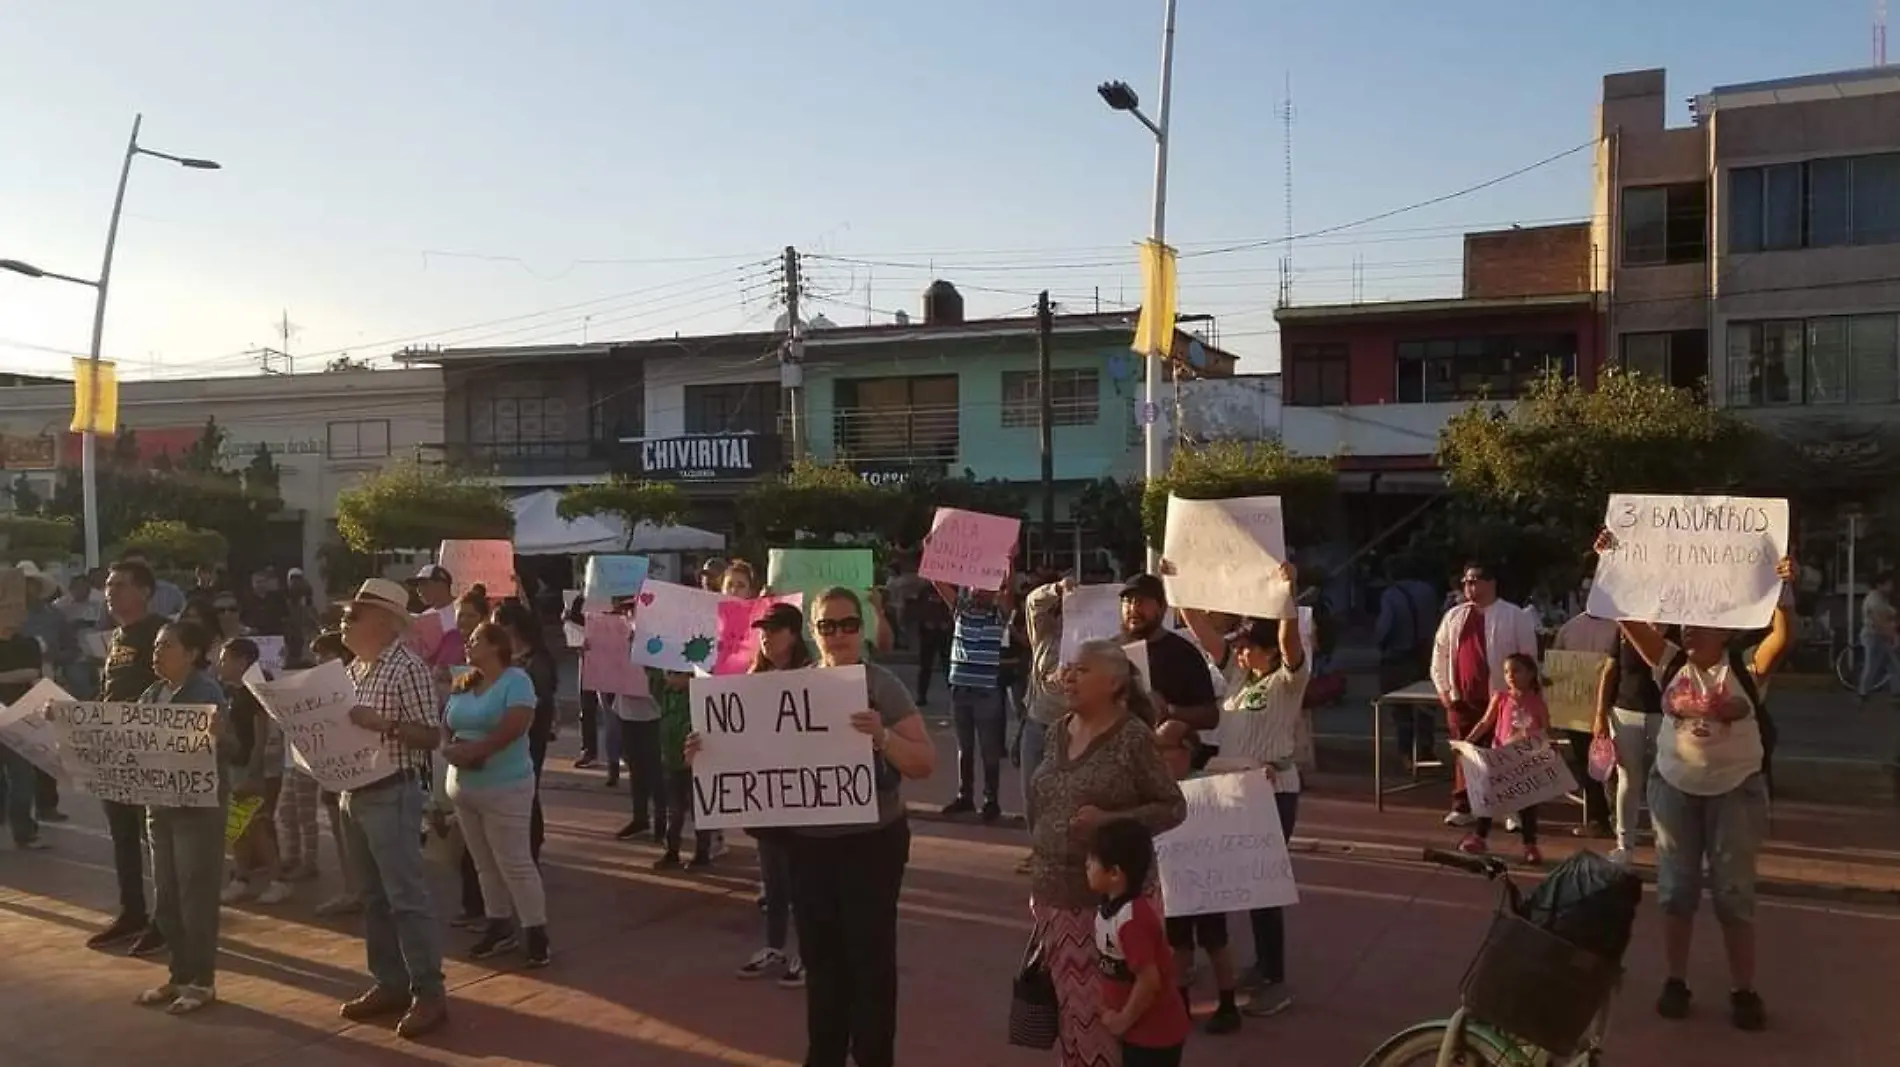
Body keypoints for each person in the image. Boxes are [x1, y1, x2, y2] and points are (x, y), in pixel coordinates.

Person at [688, 587, 935, 1067]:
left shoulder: (880, 685)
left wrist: (882, 736)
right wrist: (707, 754)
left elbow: (925, 760)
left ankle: (872, 1057)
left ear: (861, 628)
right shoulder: (787, 689)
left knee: (871, 964)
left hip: (873, 845)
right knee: (822, 965)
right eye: (827, 626)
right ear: (813, 632)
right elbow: (751, 759)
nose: (839, 635)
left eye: (848, 625)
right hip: (809, 849)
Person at [1598, 532, 1794, 1033]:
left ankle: (1743, 989)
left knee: (1732, 894)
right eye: (1684, 623)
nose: (1687, 630)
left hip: (1736, 792)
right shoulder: (1670, 665)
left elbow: (1780, 639)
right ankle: (1675, 980)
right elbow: (1629, 620)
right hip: (1675, 790)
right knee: (1676, 891)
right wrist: (1611, 559)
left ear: (1725, 631)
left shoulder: (1747, 670)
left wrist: (1783, 593)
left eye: (1699, 624)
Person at [1028, 639, 1188, 1067]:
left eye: (1081, 670)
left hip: (1113, 909)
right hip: (1054, 900)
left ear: (1114, 682)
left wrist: (1110, 821)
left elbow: (1172, 807)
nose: (1068, 677)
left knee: (1112, 1017)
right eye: (1068, 670)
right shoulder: (1056, 730)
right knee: (1073, 1015)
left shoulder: (1133, 737)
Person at [1175, 591, 1307, 1017]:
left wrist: (1286, 596)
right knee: (1241, 881)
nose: (1242, 651)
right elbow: (1198, 623)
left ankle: (1275, 978)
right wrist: (1183, 584)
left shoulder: (1286, 682)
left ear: (1269, 650)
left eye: (1250, 646)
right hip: (1231, 789)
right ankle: (1260, 966)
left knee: (1262, 882)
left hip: (1274, 789)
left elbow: (1291, 641)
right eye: (1241, 645)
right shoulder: (1235, 675)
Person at [336, 578, 449, 1040]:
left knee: (405, 897)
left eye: (353, 614)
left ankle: (428, 991)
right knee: (373, 898)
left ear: (383, 621)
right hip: (354, 791)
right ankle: (390, 982)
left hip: (390, 791)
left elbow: (430, 736)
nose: (344, 621)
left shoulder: (408, 668)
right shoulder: (352, 671)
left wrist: (383, 724)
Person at [135, 619, 240, 1014]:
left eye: (166, 647)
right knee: (166, 897)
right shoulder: (153, 692)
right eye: (157, 647)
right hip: (159, 804)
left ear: (192, 654)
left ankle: (201, 980)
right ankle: (179, 974)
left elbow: (232, 747)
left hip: (197, 809)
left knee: (196, 895)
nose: (157, 654)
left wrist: (216, 734)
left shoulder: (206, 691)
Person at [444, 621, 552, 967]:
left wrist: (480, 751)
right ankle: (498, 924)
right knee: (483, 862)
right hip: (464, 787)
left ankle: (536, 931)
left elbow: (516, 725)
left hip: (505, 785)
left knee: (515, 862)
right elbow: (447, 723)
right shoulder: (463, 681)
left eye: (475, 639)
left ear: (496, 646)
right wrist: (449, 749)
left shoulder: (516, 681)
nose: (468, 644)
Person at [87, 559, 169, 954]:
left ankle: (166, 920)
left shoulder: (160, 633)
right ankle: (131, 911)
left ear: (145, 592)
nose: (110, 592)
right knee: (123, 835)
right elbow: (111, 691)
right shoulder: (118, 637)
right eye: (108, 585)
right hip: (114, 750)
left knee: (154, 837)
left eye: (120, 585)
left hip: (149, 751)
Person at [735, 602, 812, 988]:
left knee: (804, 882)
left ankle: (808, 953)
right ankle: (775, 946)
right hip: (767, 798)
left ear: (794, 635)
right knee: (774, 882)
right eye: (763, 629)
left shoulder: (814, 680)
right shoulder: (753, 680)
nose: (766, 636)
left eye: (775, 629)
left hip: (802, 798)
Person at [1429, 562, 1540, 828]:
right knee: (1466, 751)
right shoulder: (1454, 616)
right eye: (1466, 581)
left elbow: (1528, 657)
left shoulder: (1514, 615)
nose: (1469, 586)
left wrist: (1522, 694)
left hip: (1504, 699)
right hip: (1462, 698)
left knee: (1508, 753)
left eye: (1475, 580)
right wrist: (1443, 689)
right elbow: (1439, 654)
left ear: (1491, 583)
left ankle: (1511, 810)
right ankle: (1463, 805)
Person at [1151, 719, 1241, 1035]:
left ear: (1186, 752)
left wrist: (1262, 777)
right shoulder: (1155, 787)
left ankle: (1228, 1004)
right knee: (1178, 944)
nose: (1157, 755)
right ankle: (1180, 1004)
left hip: (1207, 878)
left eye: (1164, 748)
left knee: (1215, 941)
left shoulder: (1209, 783)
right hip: (1174, 879)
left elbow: (1243, 788)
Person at [1088, 818, 1193, 1067]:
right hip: (1136, 1031)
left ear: (1114, 873)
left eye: (1091, 862)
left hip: (1154, 1035)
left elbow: (1149, 981)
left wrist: (1122, 1020)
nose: (1086, 867)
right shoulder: (1109, 910)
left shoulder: (1133, 920)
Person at [929, 576, 1012, 824]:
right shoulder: (961, 611)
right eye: (976, 586)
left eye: (985, 588)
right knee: (964, 748)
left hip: (985, 691)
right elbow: (938, 582)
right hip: (960, 689)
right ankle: (965, 796)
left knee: (989, 750)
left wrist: (1009, 561)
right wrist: (933, 549)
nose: (978, 592)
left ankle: (991, 800)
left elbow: (1009, 591)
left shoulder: (998, 615)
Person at [219, 638, 294, 905]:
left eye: (225, 659)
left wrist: (254, 773)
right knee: (239, 827)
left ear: (241, 661)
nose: (221, 665)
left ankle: (278, 880)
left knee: (258, 825)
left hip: (252, 769)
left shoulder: (254, 693)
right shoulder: (236, 692)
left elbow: (261, 737)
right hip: (236, 766)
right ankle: (241, 878)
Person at [1456, 652, 1550, 864]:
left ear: (1530, 674)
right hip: (1500, 758)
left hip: (1526, 760)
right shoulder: (1501, 698)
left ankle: (1530, 845)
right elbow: (1485, 723)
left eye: (1516, 671)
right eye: (1507, 671)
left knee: (1527, 803)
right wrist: (1468, 741)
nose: (1511, 676)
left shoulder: (1537, 702)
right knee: (1490, 797)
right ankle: (1479, 837)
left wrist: (1543, 744)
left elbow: (1545, 729)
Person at [490, 601, 556, 864]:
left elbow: (538, 700)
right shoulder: (512, 659)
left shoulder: (537, 661)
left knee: (528, 791)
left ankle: (531, 847)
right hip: (517, 736)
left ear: (511, 628)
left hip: (532, 735)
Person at [306, 631, 366, 917]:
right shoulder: (318, 687)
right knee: (341, 832)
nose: (319, 660)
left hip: (362, 769)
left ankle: (365, 890)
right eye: (317, 655)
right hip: (330, 767)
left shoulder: (359, 682)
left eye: (325, 654)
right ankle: (352, 888)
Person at [1119, 574, 1220, 741]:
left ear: (1162, 607)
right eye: (1128, 601)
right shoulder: (1109, 652)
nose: (1133, 609)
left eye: (1141, 602)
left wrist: (1168, 710)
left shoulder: (1183, 653)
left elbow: (1210, 716)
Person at [1594, 627, 1664, 867]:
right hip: (1625, 712)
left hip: (1664, 714)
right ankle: (1624, 846)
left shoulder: (1678, 628)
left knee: (1665, 782)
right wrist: (1600, 714)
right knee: (1627, 778)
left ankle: (1667, 847)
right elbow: (1610, 671)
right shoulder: (1626, 629)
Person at [1373, 558, 1440, 766]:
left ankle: (1406, 753)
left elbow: (1385, 626)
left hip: (1398, 656)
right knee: (1426, 706)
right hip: (1426, 654)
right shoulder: (1428, 591)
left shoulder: (1391, 595)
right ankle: (1426, 749)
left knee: (1401, 708)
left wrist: (1379, 642)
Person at [0, 566, 48, 851]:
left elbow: (32, 673)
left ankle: (24, 830)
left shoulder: (28, 643)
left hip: (20, 718)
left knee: (22, 781)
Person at [653, 664, 709, 869]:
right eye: (668, 673)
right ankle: (671, 851)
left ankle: (703, 853)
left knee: (699, 811)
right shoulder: (665, 693)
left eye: (675, 673)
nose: (670, 678)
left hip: (694, 763)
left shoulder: (698, 696)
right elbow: (651, 672)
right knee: (674, 811)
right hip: (671, 761)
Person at [1859, 570, 1897, 703]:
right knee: (1872, 666)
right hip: (1873, 636)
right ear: (1879, 585)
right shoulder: (1873, 599)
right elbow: (1879, 621)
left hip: (1882, 636)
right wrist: (1893, 636)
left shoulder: (1882, 598)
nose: (1891, 587)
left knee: (1893, 666)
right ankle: (1863, 692)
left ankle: (1896, 694)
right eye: (1888, 584)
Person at [913, 583, 953, 704]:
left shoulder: (950, 589)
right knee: (925, 666)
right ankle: (921, 695)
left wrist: (948, 623)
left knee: (948, 666)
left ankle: (954, 694)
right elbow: (919, 609)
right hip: (928, 634)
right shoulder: (925, 590)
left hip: (944, 632)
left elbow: (954, 607)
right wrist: (924, 623)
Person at [119, 550, 187, 619]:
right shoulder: (115, 594)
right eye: (131, 567)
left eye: (141, 565)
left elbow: (185, 618)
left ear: (150, 565)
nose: (137, 570)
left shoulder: (171, 592)